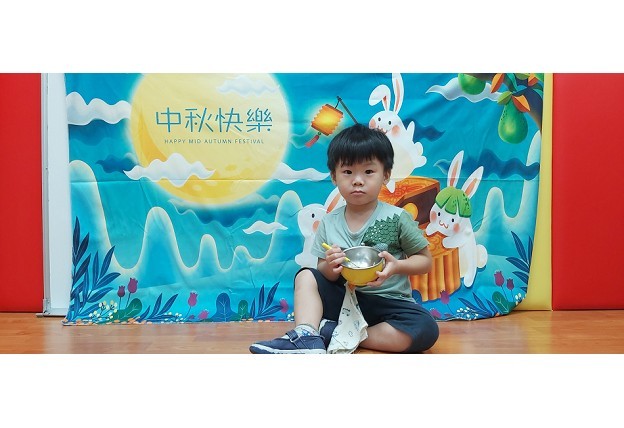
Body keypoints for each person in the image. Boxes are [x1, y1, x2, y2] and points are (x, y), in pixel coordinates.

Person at [249, 123, 439, 354]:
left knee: (425, 329)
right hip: (344, 301)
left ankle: (334, 333)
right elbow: (324, 272)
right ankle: (307, 335)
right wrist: (331, 266)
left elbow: (425, 262)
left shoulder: (397, 218)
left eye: (368, 172)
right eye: (348, 172)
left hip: (390, 304)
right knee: (306, 275)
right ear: (334, 177)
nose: (357, 180)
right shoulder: (329, 222)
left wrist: (397, 266)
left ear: (386, 175)